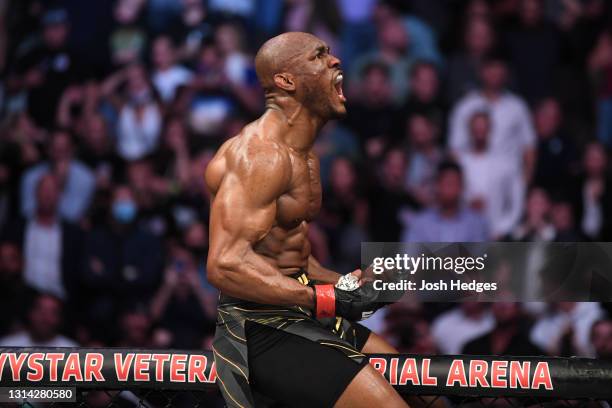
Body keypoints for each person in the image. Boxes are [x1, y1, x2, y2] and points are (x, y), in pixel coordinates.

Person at [206, 32, 407, 408]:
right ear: (286, 81)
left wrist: (348, 284)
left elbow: (291, 259)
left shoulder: (304, 153)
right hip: (261, 329)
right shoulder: (260, 155)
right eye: (319, 56)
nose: (335, 61)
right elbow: (225, 264)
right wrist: (327, 298)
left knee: (423, 386)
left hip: (302, 313)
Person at [404, 160, 489, 242]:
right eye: (447, 184)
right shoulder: (420, 224)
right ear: (437, 186)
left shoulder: (475, 224)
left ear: (462, 187)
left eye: (454, 184)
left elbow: (481, 254)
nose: (450, 189)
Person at [0, 292, 77, 347]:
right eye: (40, 310)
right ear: (30, 313)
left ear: (60, 318)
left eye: (52, 312)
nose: (45, 318)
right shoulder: (7, 347)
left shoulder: (72, 351)